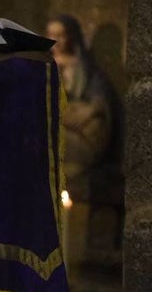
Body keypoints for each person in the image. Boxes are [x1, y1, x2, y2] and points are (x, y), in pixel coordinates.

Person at [45, 14, 120, 187]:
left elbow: (100, 99)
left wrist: (89, 110)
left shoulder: (84, 67)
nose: (56, 41)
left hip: (82, 130)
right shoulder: (45, 65)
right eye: (51, 35)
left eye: (60, 35)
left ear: (70, 37)